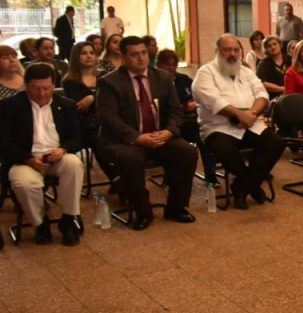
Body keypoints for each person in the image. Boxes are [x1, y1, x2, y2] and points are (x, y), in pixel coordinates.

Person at [96, 35, 197, 231]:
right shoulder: (110, 83)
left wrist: (169, 132)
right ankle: (143, 211)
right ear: (124, 57)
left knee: (188, 152)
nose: (141, 58)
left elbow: (176, 111)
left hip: (160, 136)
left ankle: (176, 207)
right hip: (127, 140)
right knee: (129, 158)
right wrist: (137, 137)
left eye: (143, 53)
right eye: (134, 55)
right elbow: (108, 119)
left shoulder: (162, 77)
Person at [193, 34, 285, 210]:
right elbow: (212, 100)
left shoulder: (247, 72)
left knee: (276, 144)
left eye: (236, 50)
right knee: (226, 151)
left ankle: (242, 187)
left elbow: (262, 94)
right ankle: (252, 186)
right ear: (217, 51)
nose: (233, 54)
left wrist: (251, 114)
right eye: (227, 50)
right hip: (218, 128)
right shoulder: (205, 72)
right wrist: (239, 115)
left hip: (250, 123)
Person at [0, 63, 84, 246]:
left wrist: (63, 149)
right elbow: (3, 142)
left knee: (74, 164)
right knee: (24, 183)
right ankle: (40, 223)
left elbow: (77, 138)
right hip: (24, 159)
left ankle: (68, 219)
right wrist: (28, 159)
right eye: (35, 88)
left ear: (54, 85)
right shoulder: (9, 106)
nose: (41, 93)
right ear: (26, 85)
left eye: (46, 88)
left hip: (57, 155)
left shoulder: (66, 105)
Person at [156, 48, 215, 183]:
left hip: (189, 121)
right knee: (176, 146)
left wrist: (193, 104)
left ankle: (211, 176)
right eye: (167, 64)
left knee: (204, 137)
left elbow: (198, 97)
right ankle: (171, 178)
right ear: (159, 65)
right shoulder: (156, 82)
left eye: (174, 65)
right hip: (168, 125)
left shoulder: (184, 79)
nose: (171, 68)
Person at [62, 41, 117, 183]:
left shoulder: (105, 76)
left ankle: (123, 177)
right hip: (84, 124)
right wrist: (97, 99)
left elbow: (113, 100)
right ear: (76, 56)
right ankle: (116, 177)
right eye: (84, 53)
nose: (89, 56)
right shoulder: (70, 81)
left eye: (92, 53)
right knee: (97, 136)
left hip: (107, 119)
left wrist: (92, 97)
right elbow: (81, 107)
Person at [256, 35, 290, 102]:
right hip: (274, 99)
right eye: (269, 46)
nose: (272, 47)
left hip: (292, 94)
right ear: (266, 50)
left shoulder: (290, 59)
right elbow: (263, 83)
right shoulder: (263, 64)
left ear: (280, 45)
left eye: (275, 44)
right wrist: (283, 89)